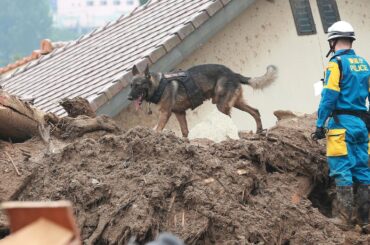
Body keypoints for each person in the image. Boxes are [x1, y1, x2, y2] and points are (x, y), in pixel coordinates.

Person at [312, 20, 370, 232]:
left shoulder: (335, 64)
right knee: (363, 171)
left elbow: (329, 95)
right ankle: (366, 220)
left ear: (333, 42)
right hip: (362, 126)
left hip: (341, 126)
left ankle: (344, 218)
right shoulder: (364, 64)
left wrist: (320, 124)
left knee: (342, 169)